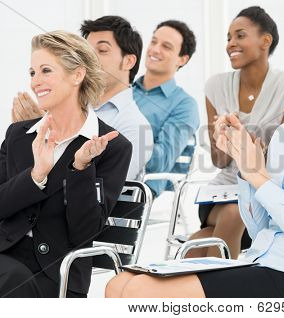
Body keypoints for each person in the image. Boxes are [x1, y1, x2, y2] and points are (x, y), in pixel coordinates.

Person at [105, 13, 284, 298]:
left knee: (140, 292)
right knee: (119, 284)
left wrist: (259, 178)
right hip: (264, 262)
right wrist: (245, 164)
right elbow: (260, 226)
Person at [0, 31, 132, 298]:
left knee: (13, 280)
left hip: (55, 271)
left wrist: (80, 168)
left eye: (46, 70)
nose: (36, 82)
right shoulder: (18, 135)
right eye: (32, 73)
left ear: (76, 75)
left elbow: (84, 231)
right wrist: (36, 176)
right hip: (5, 254)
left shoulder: (112, 147)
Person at [188, 6, 284, 259]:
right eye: (228, 38)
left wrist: (253, 149)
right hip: (222, 192)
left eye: (240, 36)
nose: (231, 44)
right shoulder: (216, 86)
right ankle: (218, 290)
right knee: (230, 213)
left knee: (200, 241)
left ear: (265, 40)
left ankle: (199, 292)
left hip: (264, 192)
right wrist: (225, 139)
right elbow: (219, 161)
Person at [12, 16, 152, 180]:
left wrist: (43, 132)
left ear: (128, 61)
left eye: (102, 50)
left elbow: (110, 187)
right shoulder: (65, 107)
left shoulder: (140, 128)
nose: (90, 58)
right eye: (86, 51)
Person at [133, 20, 199, 197]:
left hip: (139, 190)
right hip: (99, 181)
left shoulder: (184, 105)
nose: (155, 49)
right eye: (153, 42)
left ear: (182, 59)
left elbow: (159, 162)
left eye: (166, 46)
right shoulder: (124, 91)